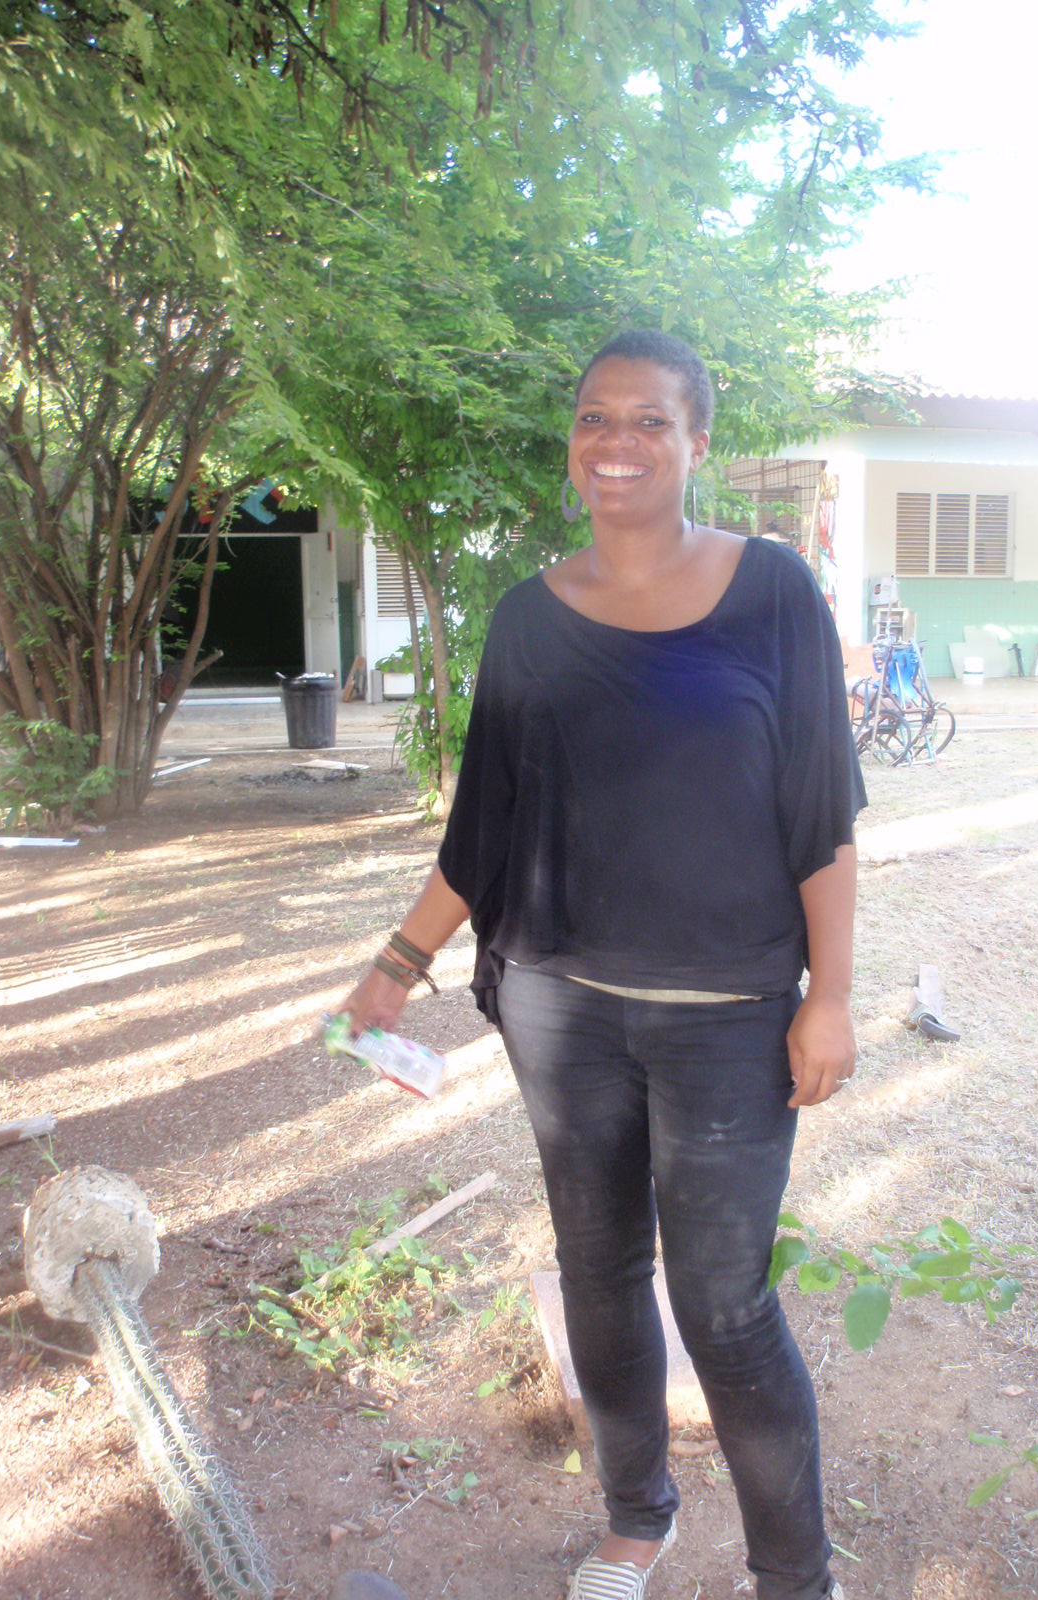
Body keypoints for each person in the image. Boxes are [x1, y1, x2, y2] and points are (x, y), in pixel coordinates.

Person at [343, 329, 865, 1600]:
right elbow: (483, 828)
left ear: (698, 443)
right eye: (594, 419)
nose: (616, 442)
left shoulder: (773, 592)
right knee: (597, 1273)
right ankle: (637, 1519)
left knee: (725, 1302)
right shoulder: (529, 620)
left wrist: (834, 997)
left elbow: (820, 811)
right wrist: (397, 964)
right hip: (560, 1006)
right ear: (571, 446)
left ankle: (796, 1577)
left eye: (648, 420)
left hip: (729, 1015)